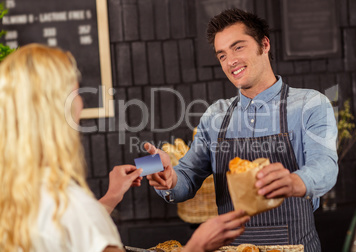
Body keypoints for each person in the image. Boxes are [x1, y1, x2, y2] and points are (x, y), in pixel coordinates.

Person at [0, 43, 249, 252]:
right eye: (75, 93)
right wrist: (196, 246)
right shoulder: (75, 208)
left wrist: (111, 197)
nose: (81, 102)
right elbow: (76, 220)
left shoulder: (16, 196)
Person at [146, 8, 338, 251]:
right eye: (222, 55)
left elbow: (326, 165)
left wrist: (294, 181)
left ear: (264, 44)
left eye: (238, 47)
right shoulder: (215, 116)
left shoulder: (310, 104)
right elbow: (187, 177)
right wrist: (169, 177)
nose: (231, 61)